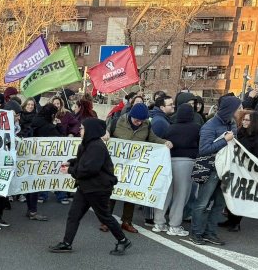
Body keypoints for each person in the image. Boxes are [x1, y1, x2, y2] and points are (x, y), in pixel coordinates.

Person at [49, 118, 131, 255]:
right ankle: (67, 243)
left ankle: (123, 240)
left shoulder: (97, 146)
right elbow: (82, 161)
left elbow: (89, 169)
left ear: (90, 130)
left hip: (98, 188)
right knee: (73, 215)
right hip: (86, 187)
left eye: (82, 128)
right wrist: (71, 163)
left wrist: (70, 171)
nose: (79, 130)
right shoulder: (87, 144)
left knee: (104, 217)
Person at [108, 103, 171, 233]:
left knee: (131, 192)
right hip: (118, 164)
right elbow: (106, 133)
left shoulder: (146, 125)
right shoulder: (116, 122)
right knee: (113, 191)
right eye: (136, 119)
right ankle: (106, 220)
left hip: (134, 165)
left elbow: (153, 138)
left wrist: (164, 142)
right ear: (130, 116)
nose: (139, 122)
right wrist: (105, 134)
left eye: (141, 120)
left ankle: (127, 221)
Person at [189, 95, 240, 246]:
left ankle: (210, 233)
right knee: (202, 203)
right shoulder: (210, 126)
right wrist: (225, 140)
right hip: (211, 170)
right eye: (238, 109)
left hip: (226, 170)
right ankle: (196, 233)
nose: (240, 111)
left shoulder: (232, 124)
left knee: (219, 204)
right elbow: (204, 149)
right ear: (229, 110)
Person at [155, 103, 199, 237]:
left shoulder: (170, 127)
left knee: (165, 193)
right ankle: (174, 225)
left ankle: (159, 222)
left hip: (169, 161)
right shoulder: (196, 128)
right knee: (181, 195)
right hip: (186, 162)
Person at [220, 110, 258, 232]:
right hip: (234, 168)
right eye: (244, 119)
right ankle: (230, 219)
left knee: (240, 196)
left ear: (254, 122)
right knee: (231, 194)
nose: (244, 122)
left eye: (247, 120)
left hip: (246, 171)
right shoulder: (240, 132)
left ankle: (236, 223)